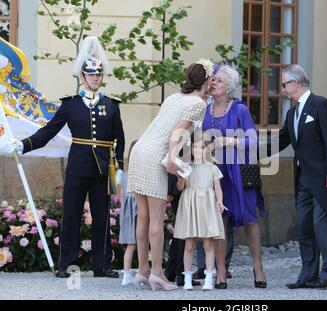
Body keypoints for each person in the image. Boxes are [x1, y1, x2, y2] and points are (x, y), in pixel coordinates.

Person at [8, 37, 125, 278]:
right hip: (78, 166)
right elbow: (48, 132)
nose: (95, 79)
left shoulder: (111, 105)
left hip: (103, 168)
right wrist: (24, 144)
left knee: (102, 216)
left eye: (98, 75)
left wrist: (120, 166)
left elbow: (119, 139)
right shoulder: (70, 105)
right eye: (91, 75)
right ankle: (67, 264)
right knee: (71, 214)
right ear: (82, 77)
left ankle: (101, 265)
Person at [127, 59, 213, 291]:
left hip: (138, 150)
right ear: (205, 81)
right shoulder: (198, 103)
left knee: (143, 216)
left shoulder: (173, 97)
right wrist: (174, 158)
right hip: (156, 154)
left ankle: (143, 269)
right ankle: (157, 273)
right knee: (157, 217)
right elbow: (177, 132)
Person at [275, 64, 327, 289]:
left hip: (323, 178)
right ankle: (308, 275)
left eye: (285, 84)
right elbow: (281, 140)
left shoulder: (321, 104)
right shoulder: (292, 112)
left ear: (296, 83)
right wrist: (249, 151)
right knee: (305, 225)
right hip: (302, 179)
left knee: (321, 224)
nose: (283, 90)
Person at [202, 64, 266, 289]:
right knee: (220, 221)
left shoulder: (240, 110)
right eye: (212, 80)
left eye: (218, 81)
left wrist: (229, 141)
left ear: (228, 87)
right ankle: (221, 271)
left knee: (250, 219)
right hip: (216, 174)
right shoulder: (205, 110)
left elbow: (253, 141)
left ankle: (257, 266)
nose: (212, 83)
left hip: (240, 170)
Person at [173, 132, 225, 290]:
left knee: (208, 243)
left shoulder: (212, 168)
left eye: (201, 147)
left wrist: (220, 201)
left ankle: (209, 278)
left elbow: (218, 188)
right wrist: (181, 178)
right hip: (190, 206)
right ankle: (187, 278)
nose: (198, 150)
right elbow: (180, 188)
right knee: (189, 244)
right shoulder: (186, 167)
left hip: (207, 206)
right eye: (195, 147)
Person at [164, 173, 201, 287]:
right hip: (180, 183)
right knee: (184, 230)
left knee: (181, 230)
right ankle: (181, 273)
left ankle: (172, 271)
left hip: (180, 183)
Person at [119, 140, 138, 286]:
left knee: (130, 245)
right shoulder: (141, 174)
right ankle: (143, 272)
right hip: (138, 209)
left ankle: (126, 274)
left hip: (127, 212)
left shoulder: (124, 174)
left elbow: (122, 197)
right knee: (144, 242)